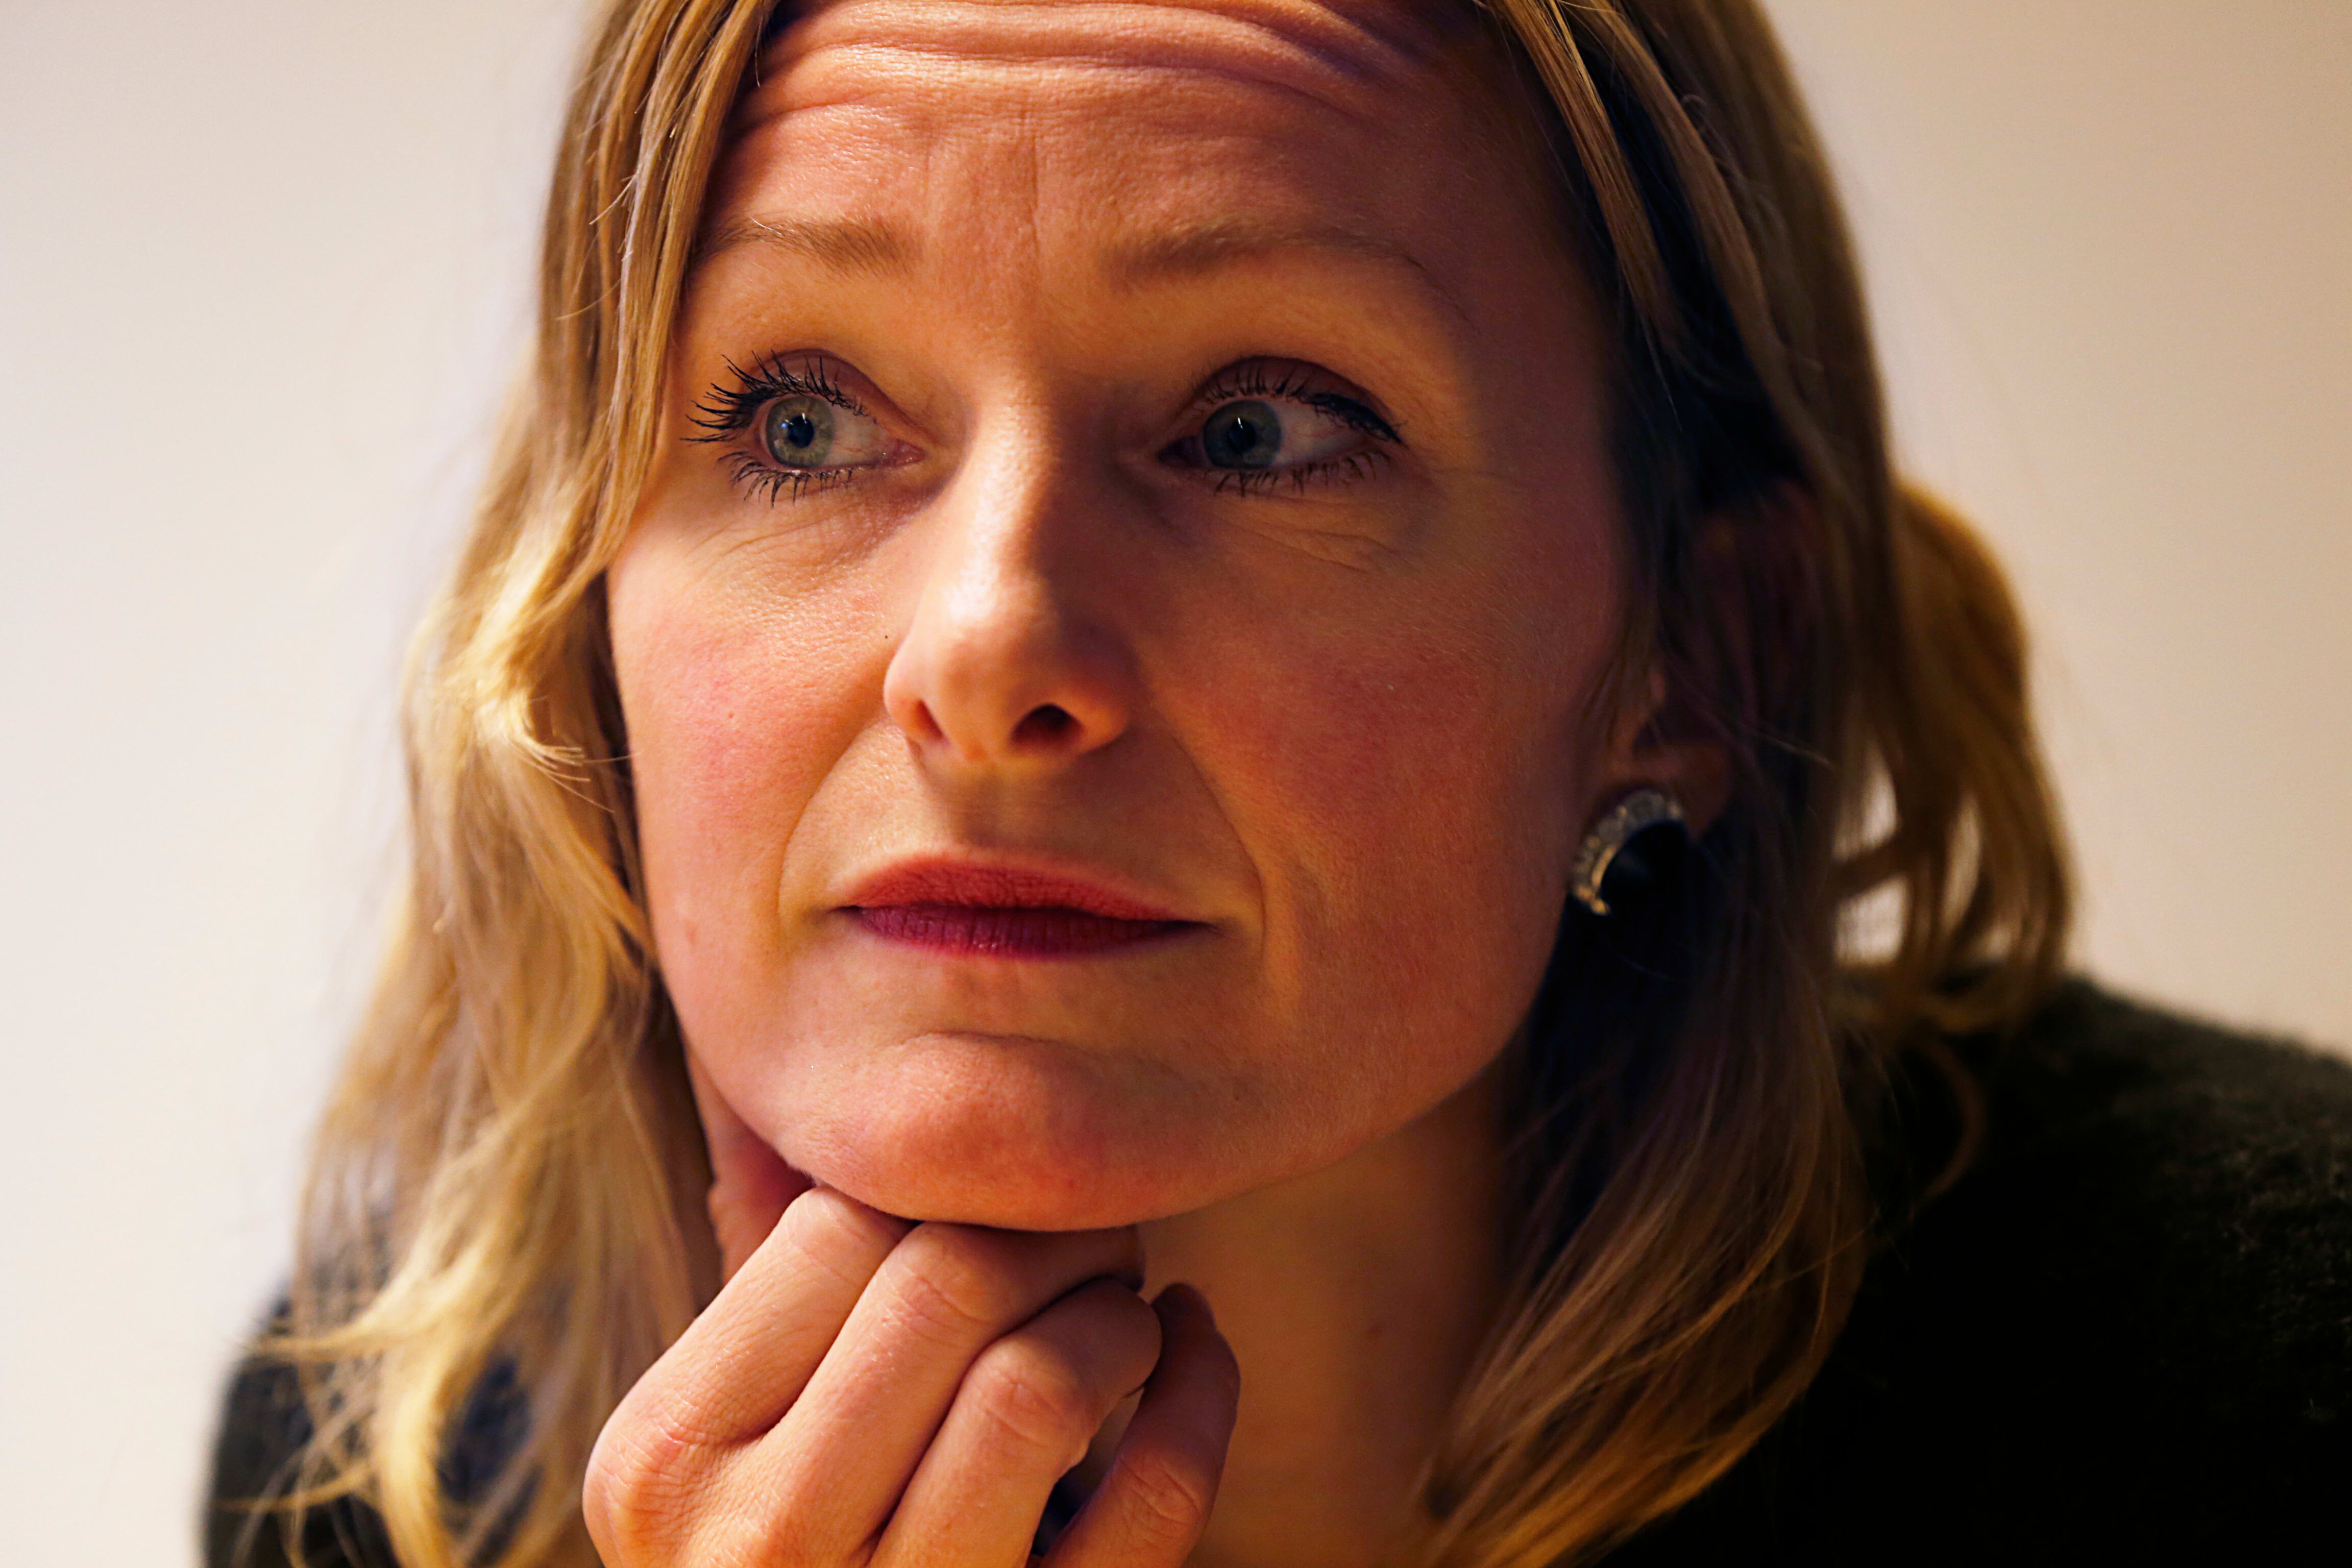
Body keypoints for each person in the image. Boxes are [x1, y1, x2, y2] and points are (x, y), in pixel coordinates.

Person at [204, 1, 2352, 1564]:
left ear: (1700, 655)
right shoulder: (396, 1471)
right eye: (799, 421)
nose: (988, 653)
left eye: (1260, 430)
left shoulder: (2261, 1376)